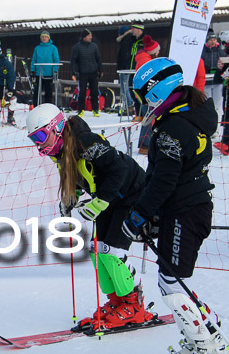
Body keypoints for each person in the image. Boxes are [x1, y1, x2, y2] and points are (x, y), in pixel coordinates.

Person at [123, 57, 229, 354]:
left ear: (158, 90)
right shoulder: (186, 116)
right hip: (186, 209)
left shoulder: (172, 127)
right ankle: (204, 342)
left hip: (186, 210)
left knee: (172, 285)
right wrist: (155, 215)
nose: (144, 104)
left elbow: (163, 180)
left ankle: (209, 352)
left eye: (145, 96)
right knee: (171, 282)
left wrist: (139, 215)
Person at [26, 104, 150, 331]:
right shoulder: (60, 151)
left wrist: (101, 200)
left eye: (42, 135)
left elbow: (119, 169)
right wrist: (70, 198)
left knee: (112, 251)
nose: (39, 143)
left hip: (132, 194)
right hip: (111, 198)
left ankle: (134, 304)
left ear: (57, 127)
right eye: (35, 138)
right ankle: (116, 301)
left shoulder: (86, 142)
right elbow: (76, 176)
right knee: (97, 250)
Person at [70, 29, 103, 117]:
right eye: (89, 36)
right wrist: (73, 72)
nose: (91, 37)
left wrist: (101, 70)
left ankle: (95, 110)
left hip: (93, 72)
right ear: (84, 37)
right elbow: (73, 60)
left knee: (94, 92)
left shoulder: (94, 46)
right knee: (82, 93)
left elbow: (98, 59)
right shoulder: (77, 47)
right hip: (83, 73)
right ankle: (81, 110)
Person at [116, 22, 144, 118]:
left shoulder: (142, 41)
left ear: (139, 29)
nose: (131, 30)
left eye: (133, 28)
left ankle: (140, 112)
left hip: (138, 69)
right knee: (132, 90)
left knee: (136, 91)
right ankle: (137, 113)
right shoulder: (133, 40)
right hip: (131, 68)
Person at [30, 30, 60, 105]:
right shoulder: (37, 48)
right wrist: (32, 69)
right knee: (37, 91)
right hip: (39, 72)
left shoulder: (53, 48)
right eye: (43, 37)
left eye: (45, 37)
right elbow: (34, 59)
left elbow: (56, 59)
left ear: (48, 38)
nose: (44, 38)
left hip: (49, 72)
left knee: (48, 91)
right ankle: (36, 105)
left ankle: (48, 105)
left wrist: (55, 70)